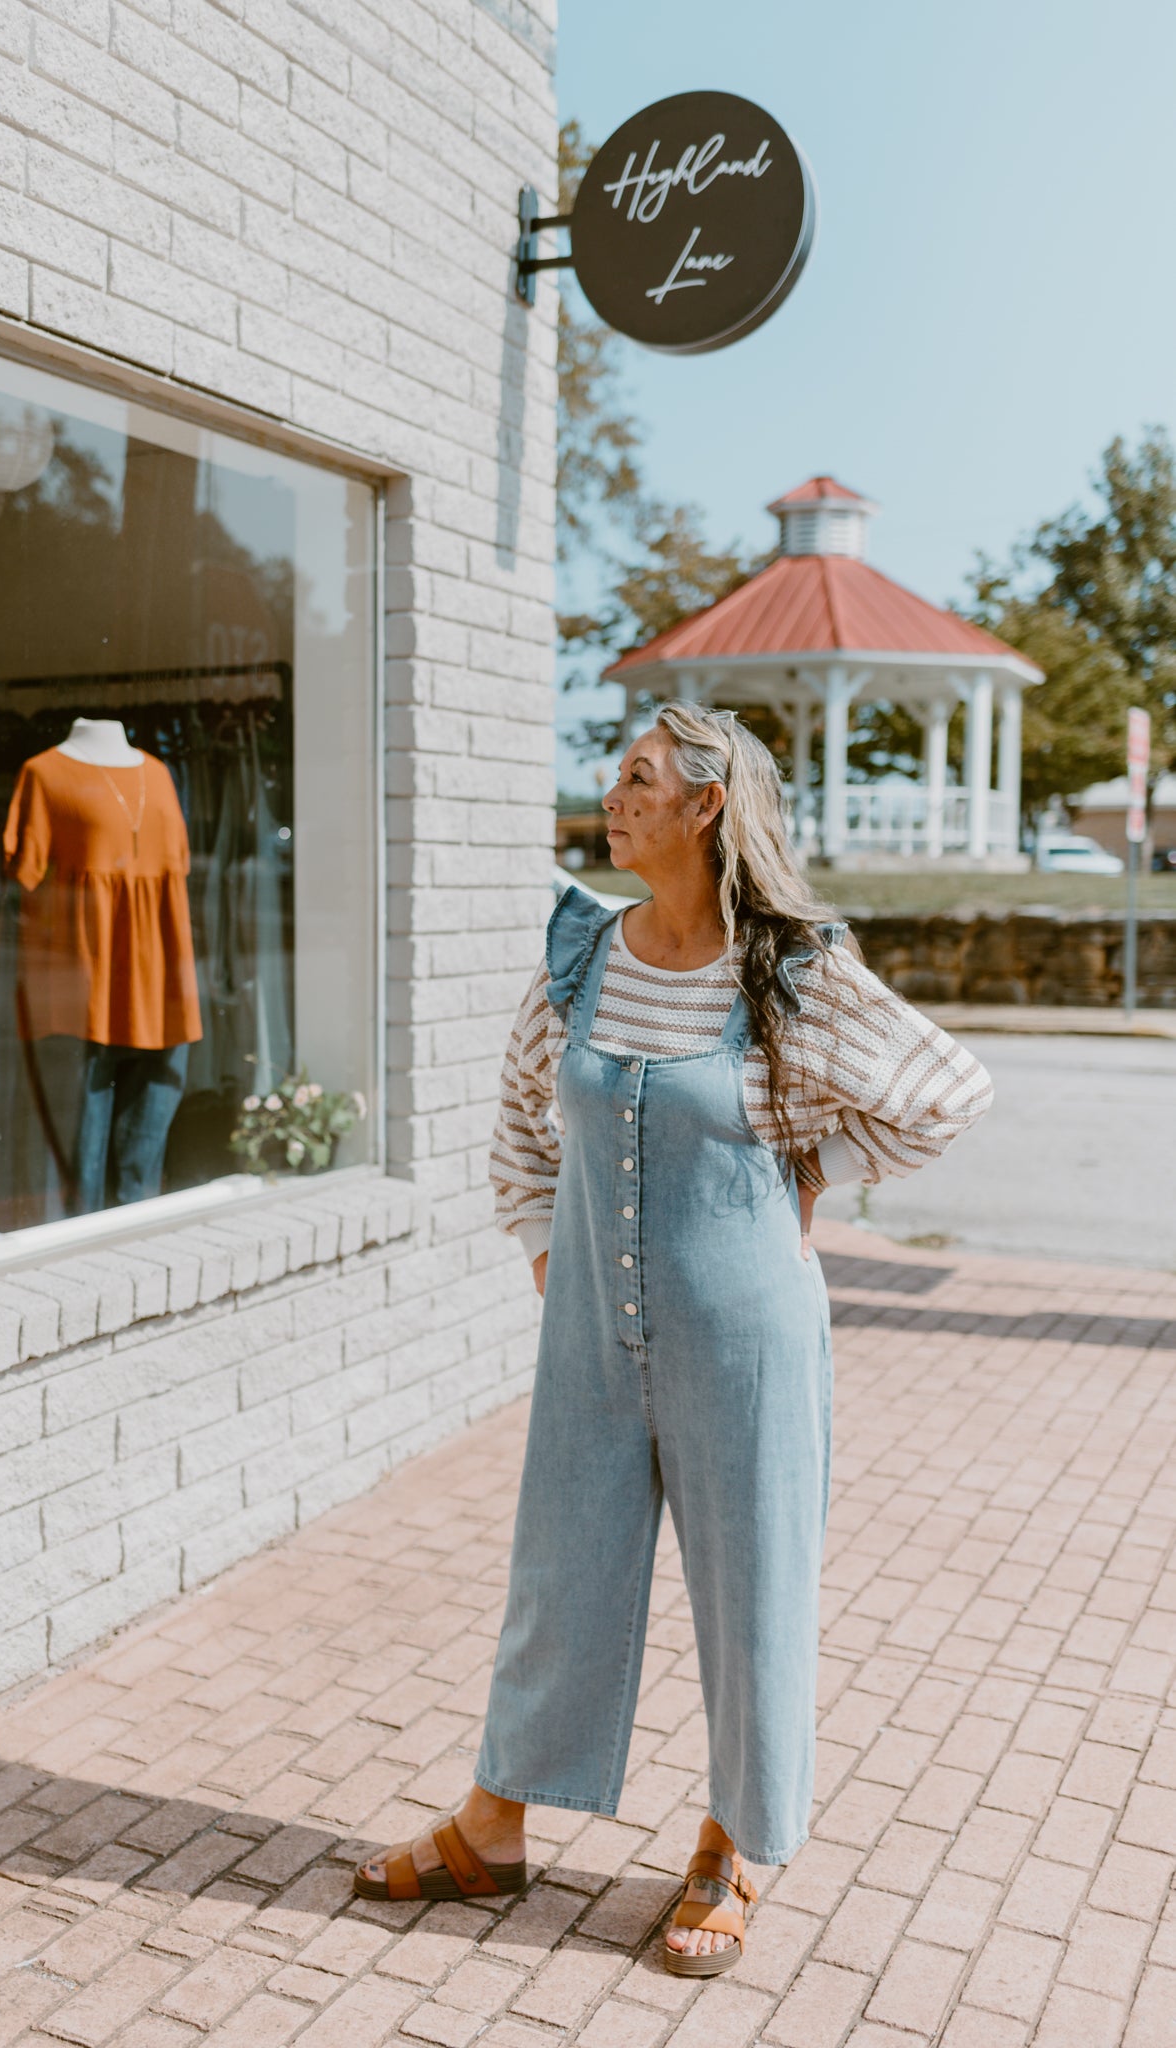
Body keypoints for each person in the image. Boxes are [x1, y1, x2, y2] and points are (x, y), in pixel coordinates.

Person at [354, 704, 993, 1975]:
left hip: (747, 1331)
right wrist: (550, 1253)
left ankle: (734, 1841)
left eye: (641, 777)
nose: (616, 792)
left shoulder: (789, 970)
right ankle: (494, 1823)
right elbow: (523, 1122)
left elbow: (947, 1091)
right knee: (559, 1572)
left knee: (754, 1589)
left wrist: (819, 1159)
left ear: (707, 806)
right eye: (619, 773)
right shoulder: (582, 956)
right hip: (590, 1324)